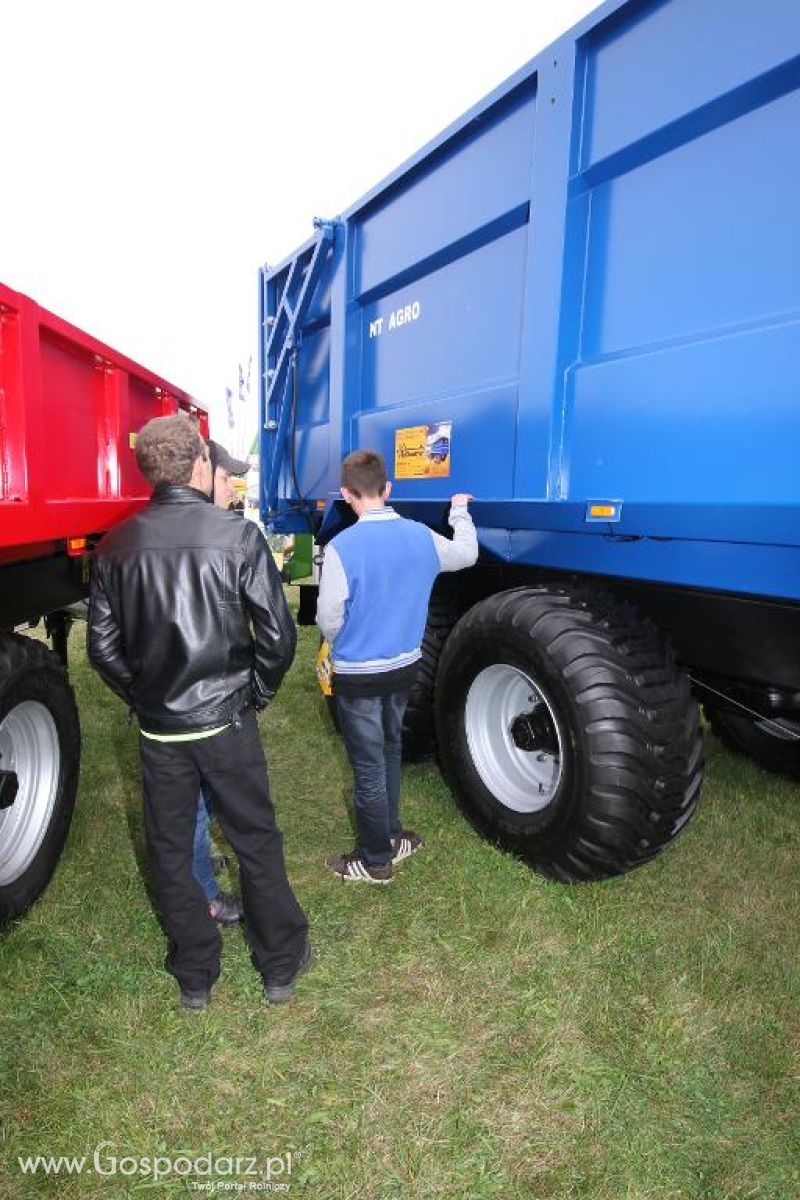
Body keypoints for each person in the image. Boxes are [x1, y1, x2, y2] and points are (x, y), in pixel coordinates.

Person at [88, 414, 310, 1008]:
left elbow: (104, 650)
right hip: (224, 722)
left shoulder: (114, 546)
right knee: (255, 840)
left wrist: (146, 698)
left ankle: (195, 974)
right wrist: (256, 693)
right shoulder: (236, 537)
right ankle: (279, 965)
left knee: (169, 849)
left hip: (163, 730)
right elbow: (279, 638)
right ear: (199, 465)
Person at [316, 449, 478, 883]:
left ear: (347, 494)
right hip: (405, 668)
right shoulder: (421, 536)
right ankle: (391, 834)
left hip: (359, 677)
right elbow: (467, 554)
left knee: (368, 767)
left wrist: (341, 644)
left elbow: (329, 616)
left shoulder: (341, 548)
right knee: (390, 750)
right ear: (388, 489)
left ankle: (375, 862)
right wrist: (459, 511)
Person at [192, 438, 251, 926]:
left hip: (208, 700)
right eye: (228, 476)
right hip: (193, 708)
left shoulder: (230, 534)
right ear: (200, 471)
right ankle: (205, 895)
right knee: (189, 801)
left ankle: (197, 867)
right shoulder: (230, 537)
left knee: (204, 793)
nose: (234, 484)